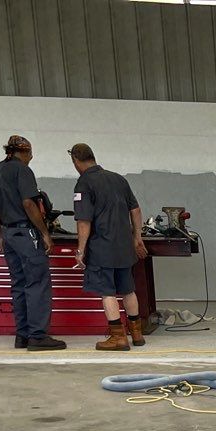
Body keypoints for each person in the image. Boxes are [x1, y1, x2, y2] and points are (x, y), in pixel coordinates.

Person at [0, 135, 65, 351]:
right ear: (25, 152)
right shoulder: (22, 170)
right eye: (31, 154)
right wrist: (45, 233)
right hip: (26, 234)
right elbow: (29, 203)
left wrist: (0, 234)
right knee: (37, 284)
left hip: (9, 235)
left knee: (19, 285)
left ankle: (22, 336)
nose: (31, 158)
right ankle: (38, 337)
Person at [68, 143, 148, 351]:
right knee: (128, 290)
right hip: (124, 246)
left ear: (76, 161)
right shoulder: (118, 178)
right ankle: (137, 334)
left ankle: (118, 338)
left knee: (108, 292)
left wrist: (81, 250)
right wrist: (137, 237)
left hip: (102, 247)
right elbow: (136, 210)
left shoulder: (84, 183)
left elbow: (84, 221)